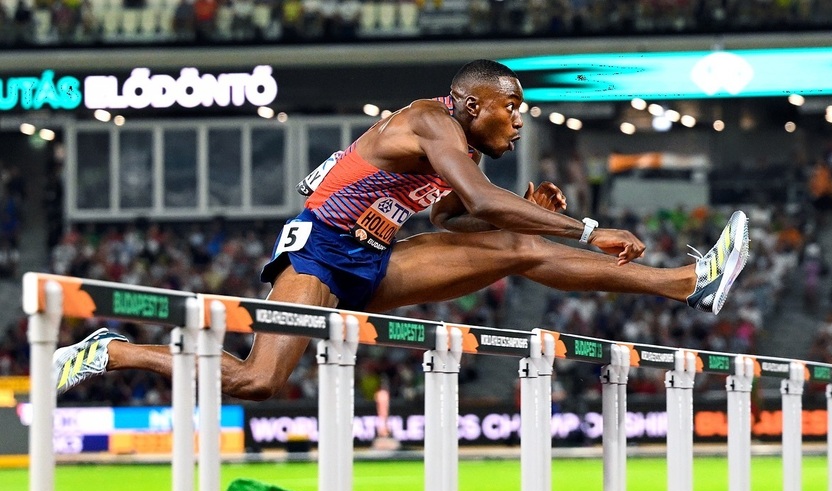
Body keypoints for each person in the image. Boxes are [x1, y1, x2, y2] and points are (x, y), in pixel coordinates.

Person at [54, 59, 750, 401]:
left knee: (514, 247)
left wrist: (533, 207)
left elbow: (451, 212)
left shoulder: (462, 147)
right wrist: (586, 225)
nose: (520, 119)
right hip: (320, 255)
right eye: (513, 108)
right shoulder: (427, 120)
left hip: (376, 259)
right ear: (473, 102)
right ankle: (115, 352)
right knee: (257, 382)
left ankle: (691, 282)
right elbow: (481, 201)